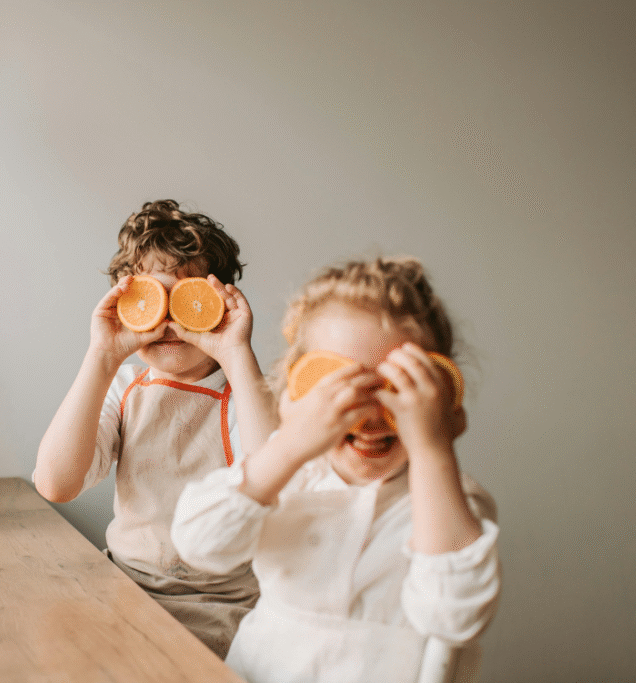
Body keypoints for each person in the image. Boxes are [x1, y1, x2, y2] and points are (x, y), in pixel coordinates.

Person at [171, 257, 501, 683]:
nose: (370, 418)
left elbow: (454, 617)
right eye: (343, 389)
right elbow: (200, 547)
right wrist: (290, 443)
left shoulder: (451, 503)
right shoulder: (291, 475)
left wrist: (433, 450)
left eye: (398, 388)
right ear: (299, 391)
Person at [34, 199, 276, 658]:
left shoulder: (247, 392)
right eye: (149, 298)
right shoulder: (125, 385)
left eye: (186, 301)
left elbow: (275, 485)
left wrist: (237, 354)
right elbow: (55, 483)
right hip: (124, 591)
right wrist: (102, 356)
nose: (166, 321)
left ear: (219, 302)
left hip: (225, 605)